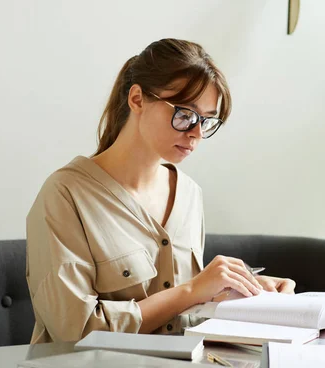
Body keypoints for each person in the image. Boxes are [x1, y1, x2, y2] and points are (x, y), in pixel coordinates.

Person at [26, 38, 296, 344]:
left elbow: (180, 313)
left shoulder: (189, 194)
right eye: (185, 115)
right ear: (138, 99)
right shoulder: (65, 195)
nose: (196, 133)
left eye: (206, 121)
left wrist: (240, 290)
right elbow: (75, 331)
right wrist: (192, 290)